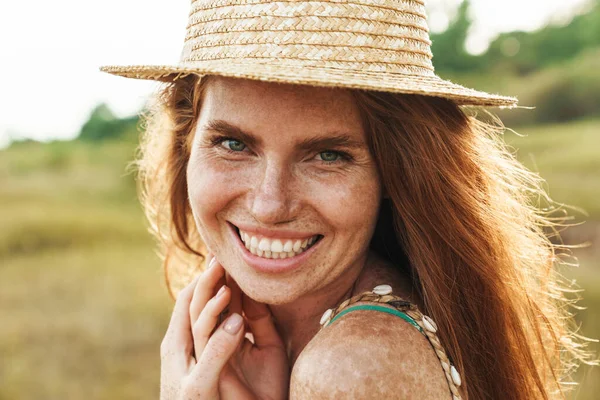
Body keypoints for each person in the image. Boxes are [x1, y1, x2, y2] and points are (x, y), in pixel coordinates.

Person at [101, 0, 596, 398]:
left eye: (328, 155)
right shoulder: (300, 337)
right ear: (187, 142)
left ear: (396, 170)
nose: (270, 205)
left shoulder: (350, 371)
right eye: (233, 144)